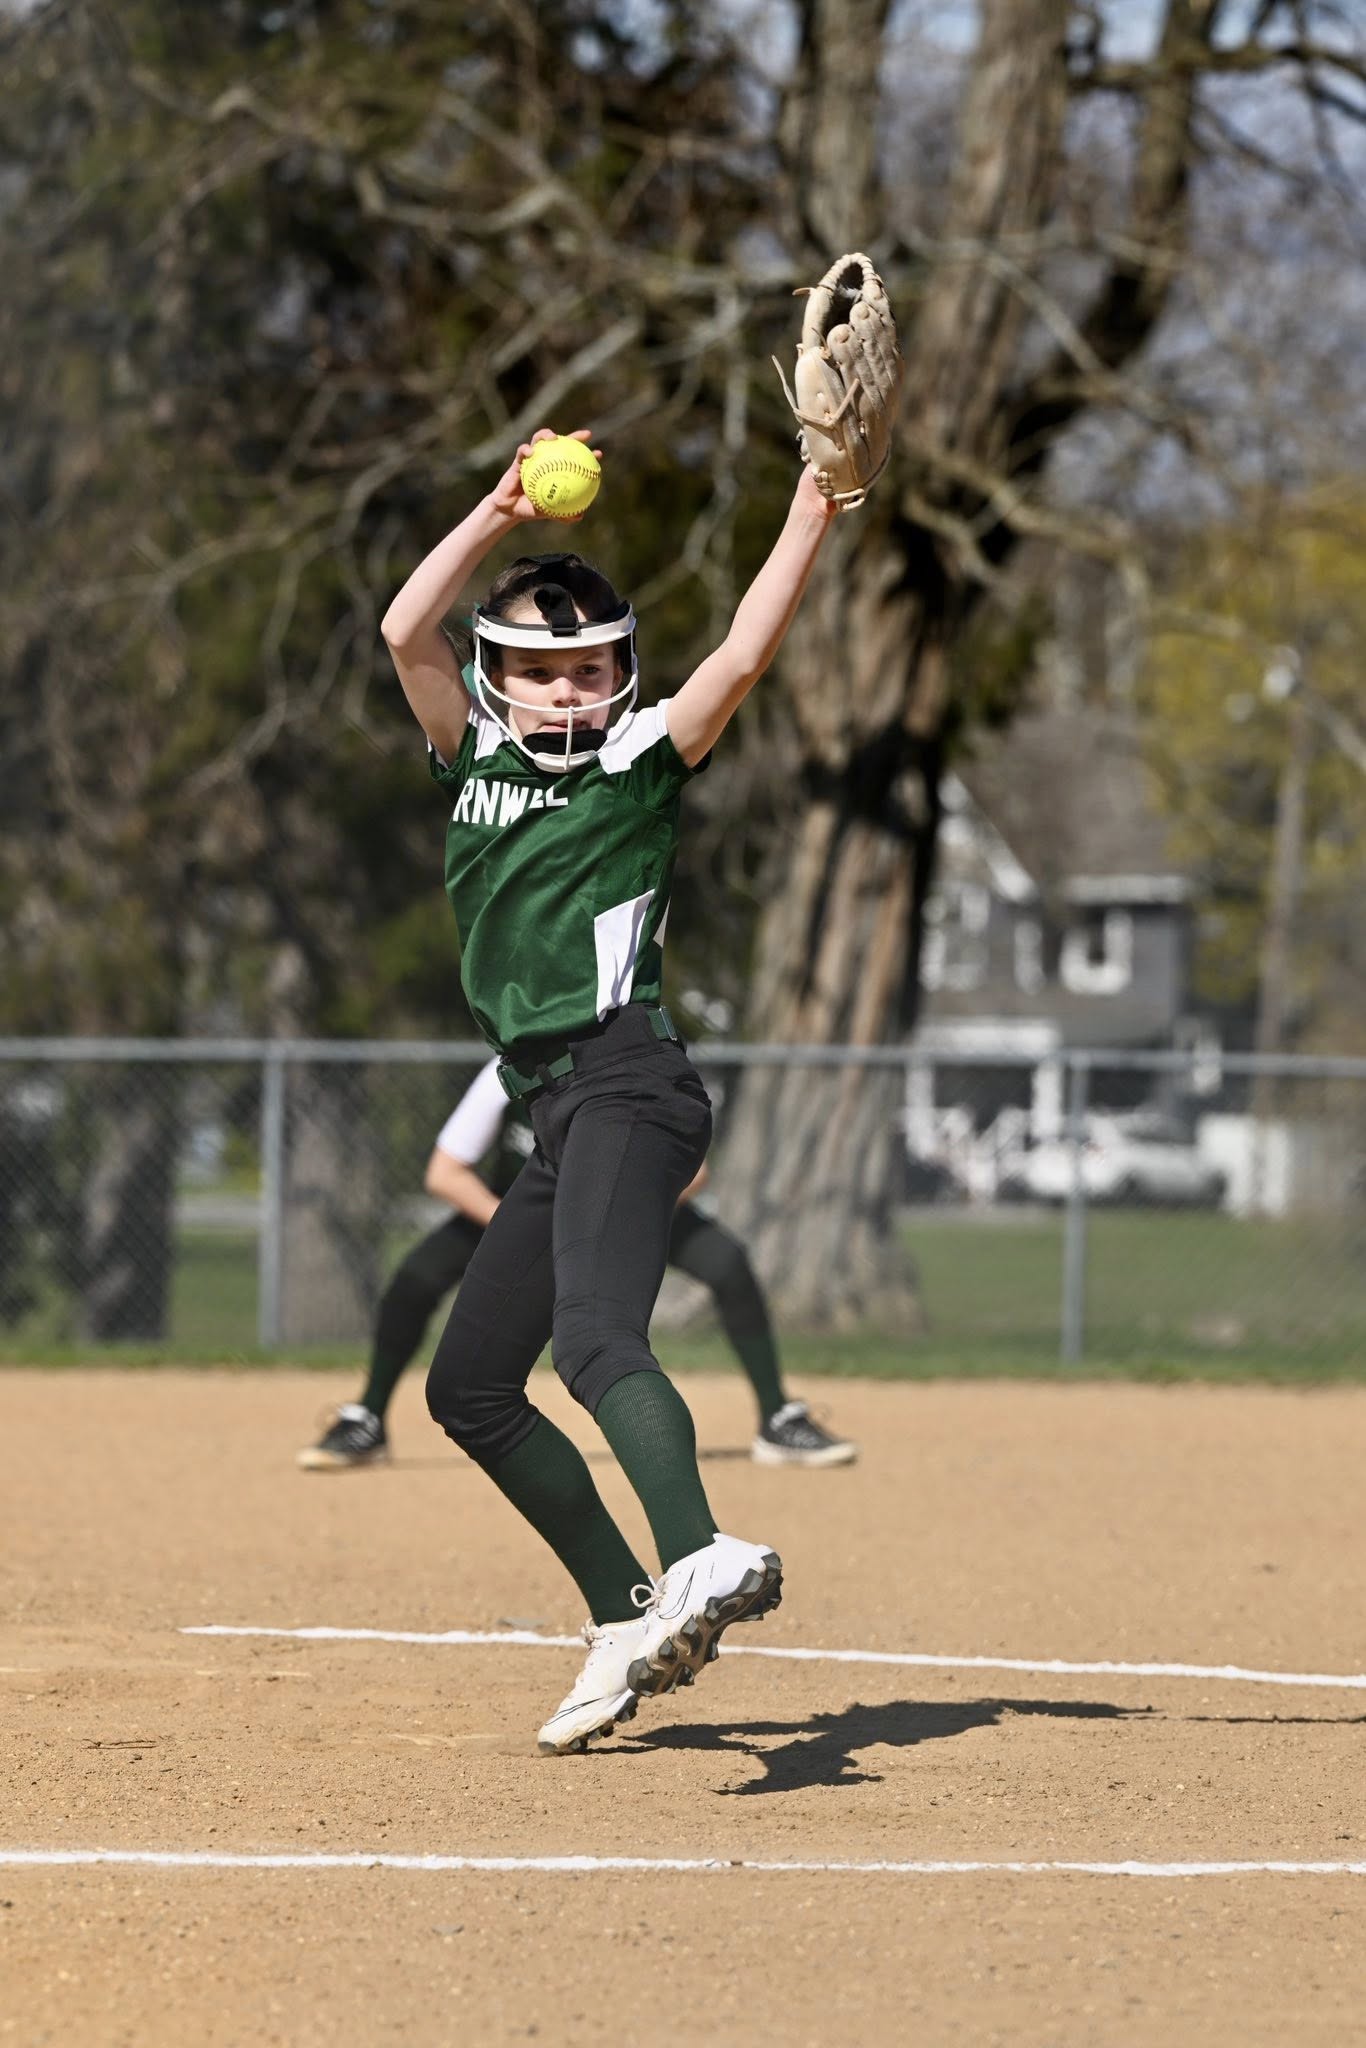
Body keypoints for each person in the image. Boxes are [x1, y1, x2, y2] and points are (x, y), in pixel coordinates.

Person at [380, 425, 841, 1754]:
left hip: (632, 1084)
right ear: (496, 677)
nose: (566, 689)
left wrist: (815, 498)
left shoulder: (639, 762)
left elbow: (741, 654)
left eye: (588, 667)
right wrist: (496, 511)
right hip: (558, 1113)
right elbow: (406, 629)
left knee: (591, 1339)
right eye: (538, 669)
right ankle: (626, 1614)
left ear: (621, 673)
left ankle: (695, 1552)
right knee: (470, 1386)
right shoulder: (470, 757)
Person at [298, 1058, 857, 1473]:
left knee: (727, 1263)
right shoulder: (509, 1070)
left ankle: (778, 1417)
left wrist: (615, 1216)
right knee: (413, 1280)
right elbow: (444, 1174)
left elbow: (696, 1171)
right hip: (521, 1210)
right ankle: (367, 1418)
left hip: (622, 1204)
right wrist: (518, 1230)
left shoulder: (628, 1058)